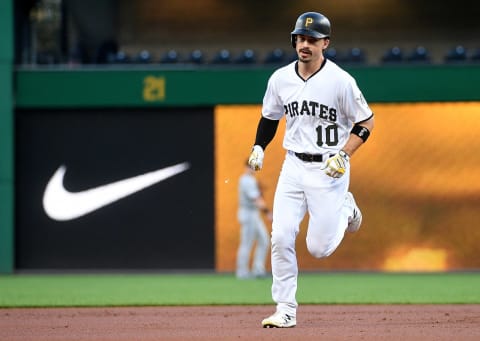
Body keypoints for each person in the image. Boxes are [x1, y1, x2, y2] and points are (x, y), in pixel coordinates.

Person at [248, 11, 375, 328]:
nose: (305, 44)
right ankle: (285, 308)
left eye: (312, 39)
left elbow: (366, 122)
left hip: (329, 170)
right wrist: (259, 146)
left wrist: (345, 154)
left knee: (318, 249)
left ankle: (346, 209)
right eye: (300, 38)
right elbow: (269, 118)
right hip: (293, 166)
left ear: (325, 43)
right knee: (280, 236)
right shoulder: (280, 79)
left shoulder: (341, 81)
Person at [236, 160, 272, 279]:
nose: (253, 168)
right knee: (246, 243)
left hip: (254, 213)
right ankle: (242, 272)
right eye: (250, 166)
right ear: (246, 167)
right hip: (248, 213)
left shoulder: (250, 180)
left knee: (264, 240)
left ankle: (258, 269)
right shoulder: (247, 180)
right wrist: (268, 212)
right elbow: (256, 199)